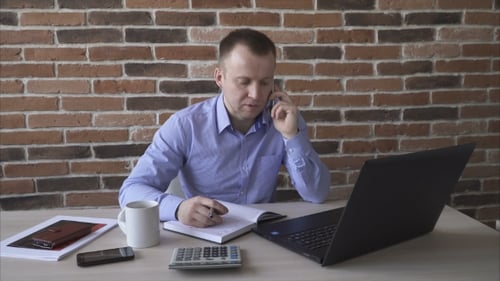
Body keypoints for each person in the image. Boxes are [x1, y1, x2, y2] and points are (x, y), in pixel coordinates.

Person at [119, 28, 331, 228]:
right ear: (220, 78)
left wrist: (291, 136)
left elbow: (317, 194)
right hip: (207, 233)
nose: (256, 95)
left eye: (265, 82)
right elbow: (130, 191)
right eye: (244, 82)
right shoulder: (185, 126)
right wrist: (178, 208)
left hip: (263, 233)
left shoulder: (285, 119)